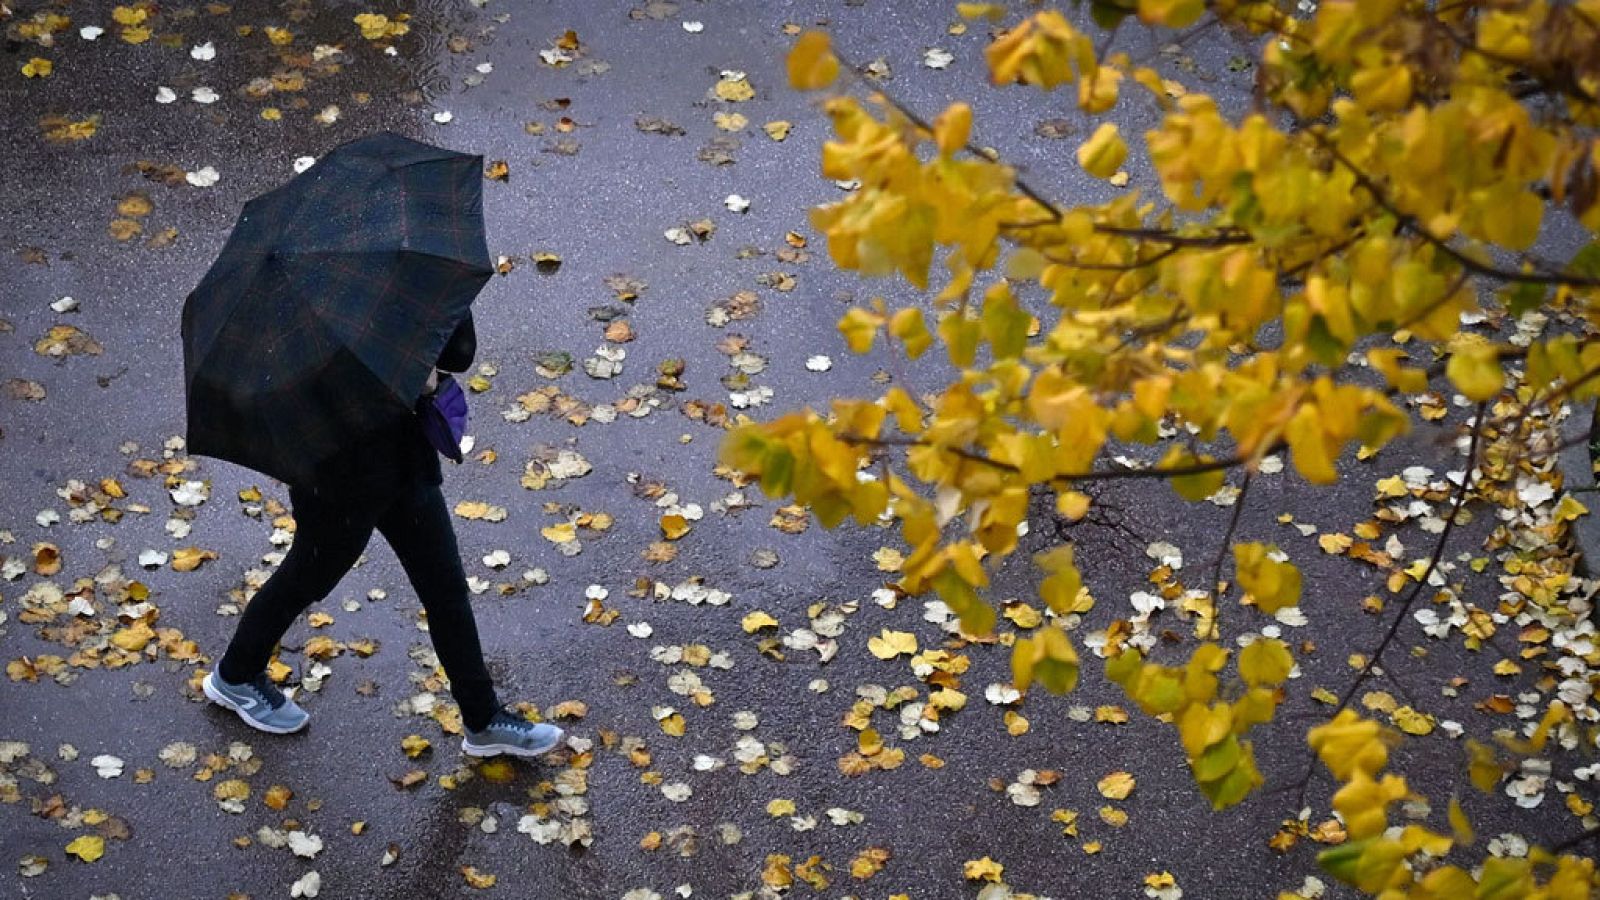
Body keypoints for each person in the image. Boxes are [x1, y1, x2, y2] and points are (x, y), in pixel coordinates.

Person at [201, 314, 564, 759]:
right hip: (334, 475)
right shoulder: (303, 307)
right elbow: (288, 390)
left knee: (446, 589)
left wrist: (423, 364)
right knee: (306, 578)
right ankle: (236, 674)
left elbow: (458, 352)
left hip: (405, 460)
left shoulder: (400, 278)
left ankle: (483, 719)